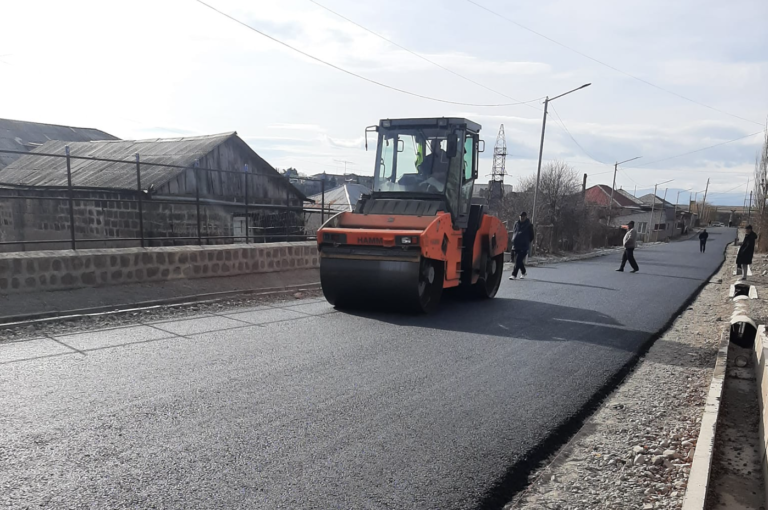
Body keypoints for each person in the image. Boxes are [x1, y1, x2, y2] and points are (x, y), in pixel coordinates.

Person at [509, 211, 534, 280]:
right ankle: (523, 272)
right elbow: (515, 232)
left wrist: (526, 241)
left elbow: (532, 236)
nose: (522, 218)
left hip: (524, 246)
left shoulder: (529, 225)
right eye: (521, 216)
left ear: (526, 217)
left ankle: (514, 274)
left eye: (523, 217)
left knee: (518, 260)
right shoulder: (516, 224)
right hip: (516, 245)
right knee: (518, 261)